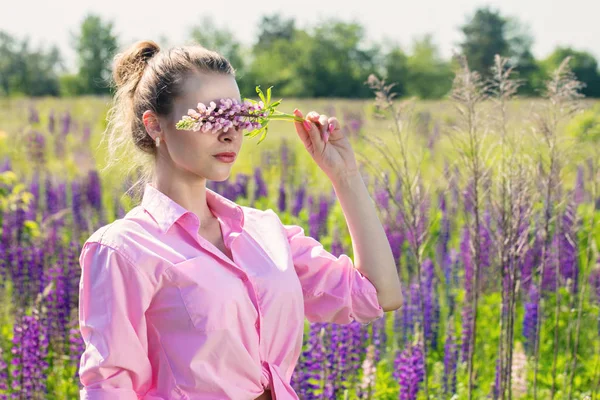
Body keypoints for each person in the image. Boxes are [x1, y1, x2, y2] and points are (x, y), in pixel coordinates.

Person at [77, 39, 403, 400]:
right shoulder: (124, 249)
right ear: (155, 126)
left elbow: (378, 295)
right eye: (211, 115)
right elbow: (109, 386)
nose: (230, 132)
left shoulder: (265, 232)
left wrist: (346, 176)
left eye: (236, 117)